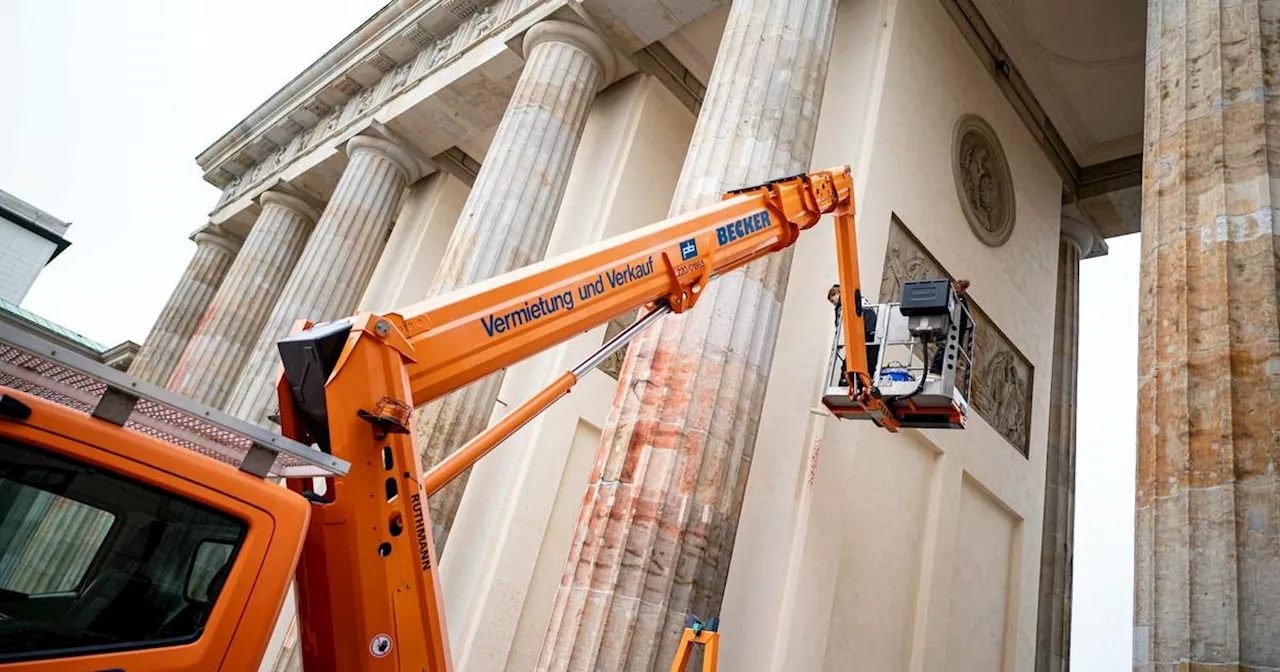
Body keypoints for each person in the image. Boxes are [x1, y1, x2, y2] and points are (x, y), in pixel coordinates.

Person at [929, 278, 970, 376]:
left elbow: (960, 322)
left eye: (957, 288)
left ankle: (935, 373)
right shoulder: (956, 299)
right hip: (949, 334)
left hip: (951, 335)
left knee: (942, 356)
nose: (955, 290)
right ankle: (936, 373)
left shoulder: (960, 302)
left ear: (962, 290)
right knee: (942, 354)